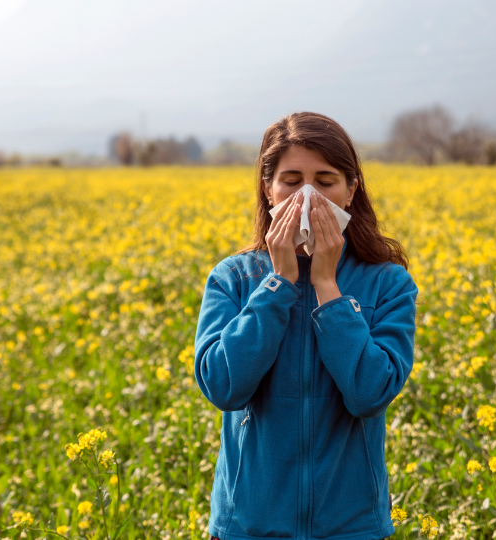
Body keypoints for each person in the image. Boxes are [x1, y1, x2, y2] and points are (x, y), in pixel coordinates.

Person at [194, 111, 418, 540]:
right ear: (269, 189)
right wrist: (277, 286)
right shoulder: (234, 278)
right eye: (292, 181)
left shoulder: (387, 283)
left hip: (351, 528)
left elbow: (370, 394)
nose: (308, 197)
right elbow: (224, 387)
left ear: (351, 190)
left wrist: (326, 285)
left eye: (326, 181)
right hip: (247, 526)